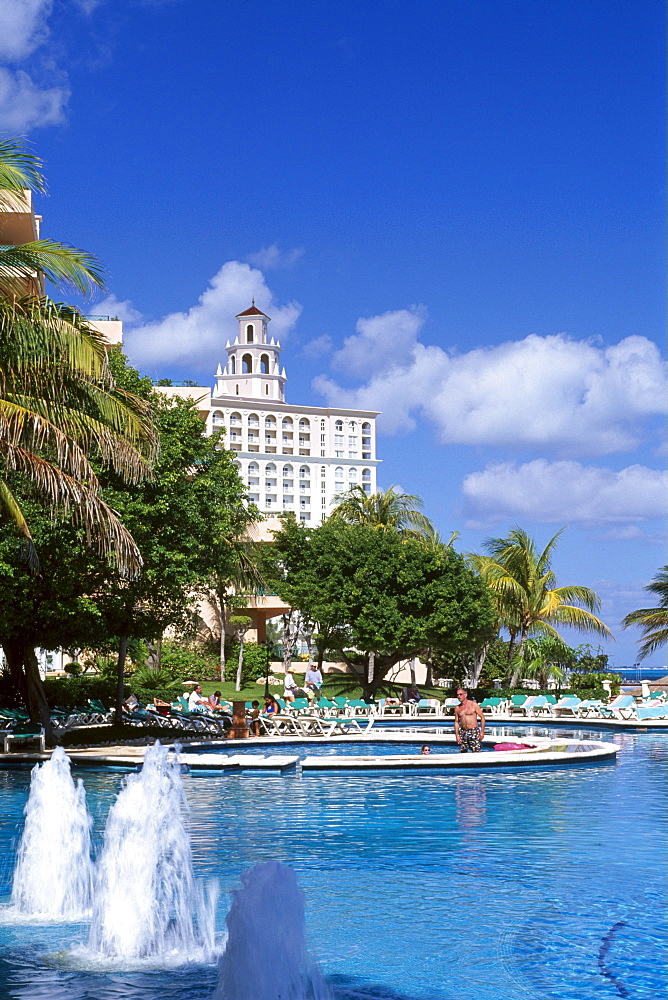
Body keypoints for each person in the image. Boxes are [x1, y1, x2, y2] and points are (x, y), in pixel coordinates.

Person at [453, 687, 485, 753]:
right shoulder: (457, 708)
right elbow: (456, 722)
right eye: (457, 695)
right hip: (463, 731)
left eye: (460, 694)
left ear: (465, 695)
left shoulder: (473, 705)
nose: (459, 696)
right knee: (463, 750)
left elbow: (482, 717)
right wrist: (457, 735)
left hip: (473, 731)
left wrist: (482, 731)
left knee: (475, 750)